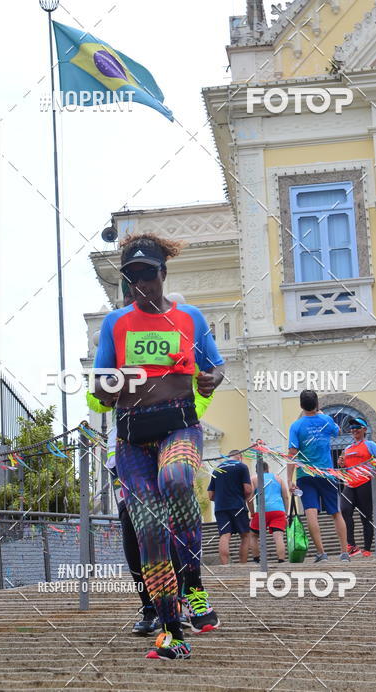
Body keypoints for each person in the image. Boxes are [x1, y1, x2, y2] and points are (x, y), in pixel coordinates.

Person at [93, 233, 225, 662]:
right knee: (148, 529)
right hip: (132, 437)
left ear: (164, 274)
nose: (141, 284)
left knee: (178, 477)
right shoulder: (115, 323)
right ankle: (171, 632)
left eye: (147, 275)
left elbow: (215, 366)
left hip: (179, 426)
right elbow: (100, 382)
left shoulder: (190, 318)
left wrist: (211, 378)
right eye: (132, 277)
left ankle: (194, 586)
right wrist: (106, 389)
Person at [287, 390, 350, 563]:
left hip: (305, 475)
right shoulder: (326, 420)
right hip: (326, 473)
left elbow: (292, 454)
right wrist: (321, 414)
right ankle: (344, 552)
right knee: (336, 512)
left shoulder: (296, 426)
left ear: (301, 405)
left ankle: (322, 553)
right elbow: (338, 431)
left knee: (311, 512)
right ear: (317, 404)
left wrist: (289, 480)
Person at [338, 418, 376, 557]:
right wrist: (341, 464)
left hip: (365, 484)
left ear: (364, 429)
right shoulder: (347, 449)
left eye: (357, 426)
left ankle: (367, 549)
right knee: (344, 510)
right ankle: (351, 545)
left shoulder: (370, 444)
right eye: (352, 427)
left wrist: (373, 472)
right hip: (350, 484)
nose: (354, 429)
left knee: (366, 517)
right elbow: (345, 467)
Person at [207, 451, 252, 564]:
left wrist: (221, 499)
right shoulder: (242, 466)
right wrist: (242, 498)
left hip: (220, 508)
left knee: (225, 535)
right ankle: (243, 565)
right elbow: (248, 490)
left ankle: (224, 565)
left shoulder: (217, 469)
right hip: (238, 506)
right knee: (245, 535)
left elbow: (210, 495)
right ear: (240, 457)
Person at [248, 462, 289, 563]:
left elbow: (249, 499)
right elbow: (286, 497)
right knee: (278, 536)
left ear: (256, 470)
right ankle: (281, 560)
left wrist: (252, 513)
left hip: (262, 510)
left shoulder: (254, 479)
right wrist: (285, 513)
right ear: (268, 469)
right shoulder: (278, 478)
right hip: (278, 510)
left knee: (253, 535)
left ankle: (256, 558)